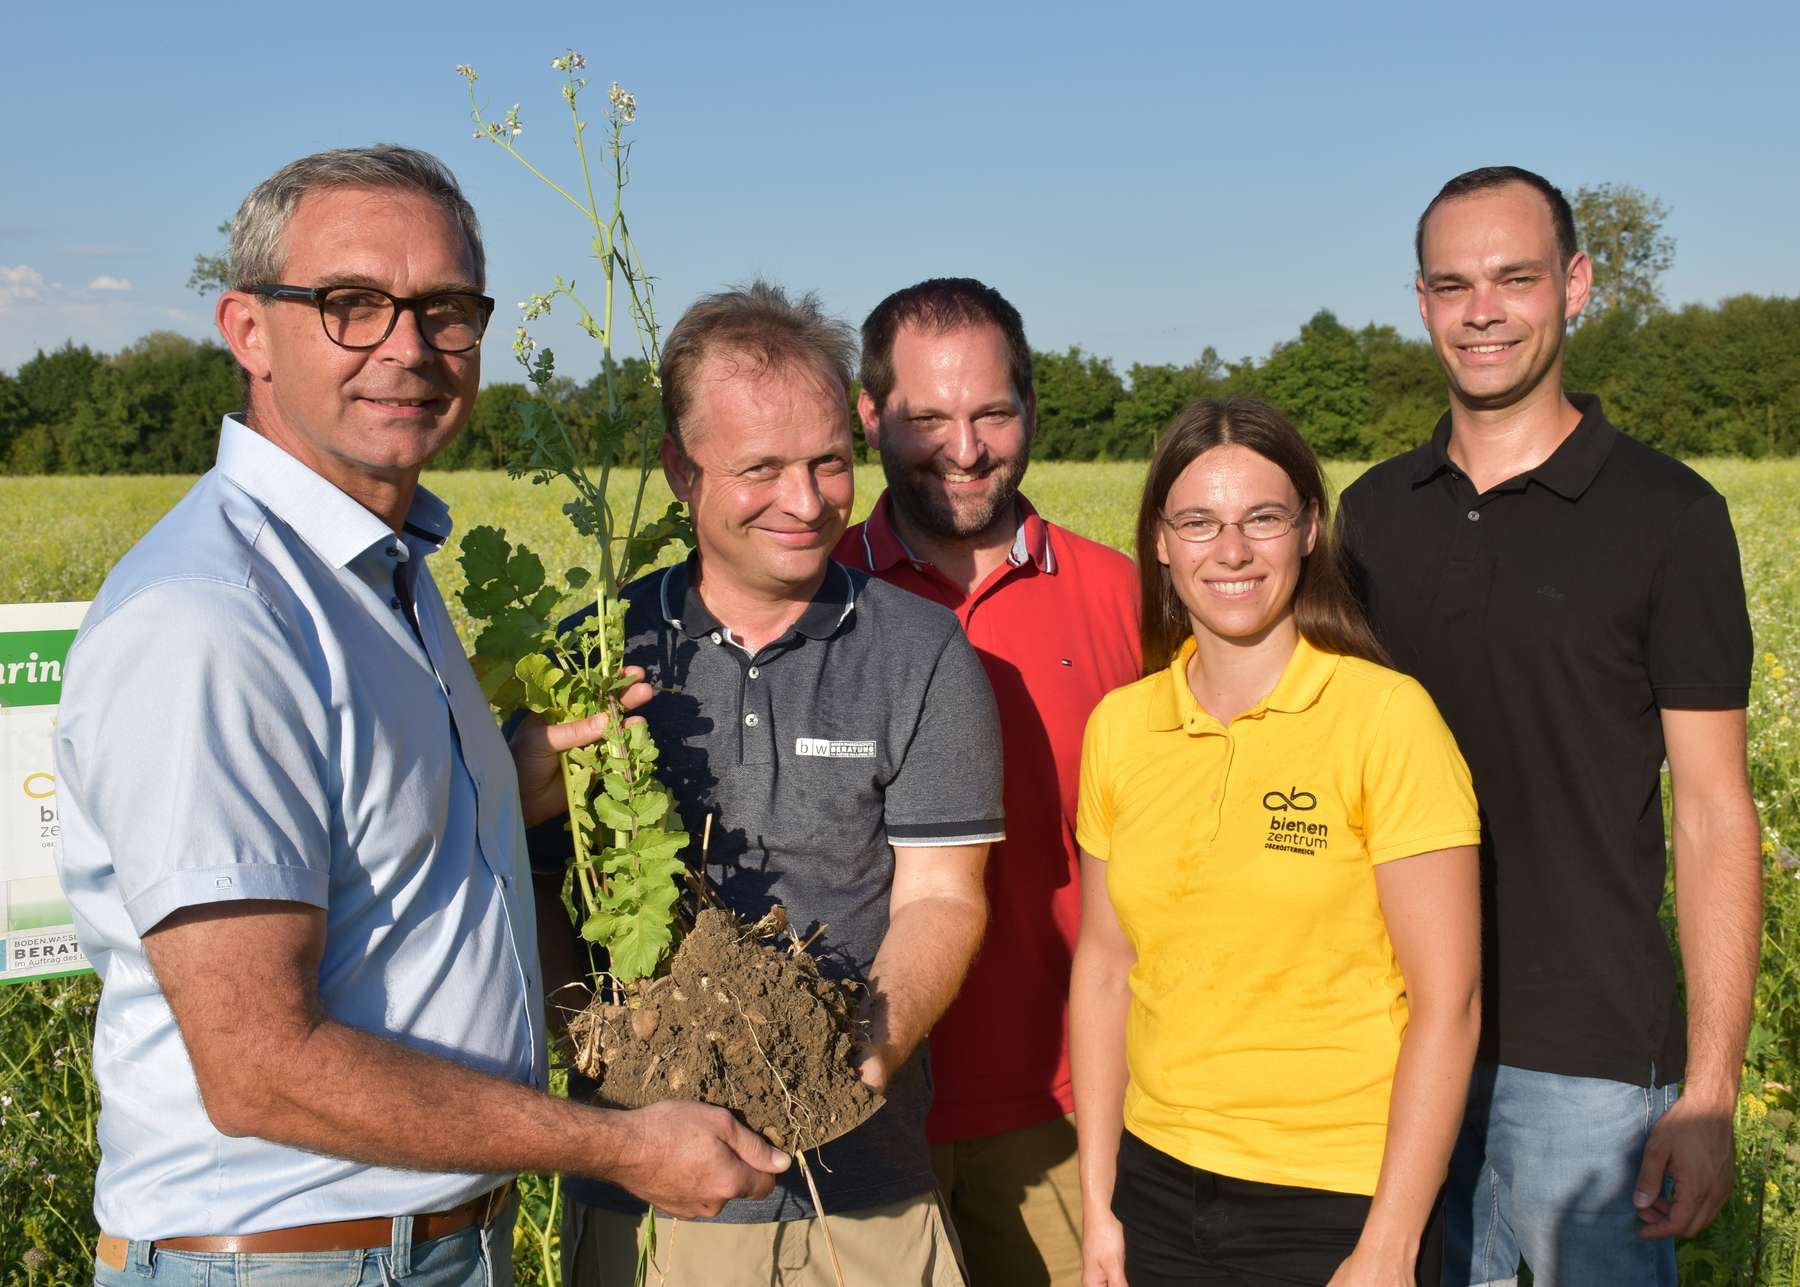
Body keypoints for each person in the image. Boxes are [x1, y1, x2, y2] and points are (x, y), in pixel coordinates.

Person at [52, 146, 787, 1287]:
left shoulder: (374, 573)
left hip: (418, 1248)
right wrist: (619, 1144)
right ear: (248, 330)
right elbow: (259, 1067)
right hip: (285, 1262)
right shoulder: (214, 620)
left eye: (445, 309)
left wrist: (503, 781)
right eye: (350, 304)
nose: (407, 347)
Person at [1337, 165, 1762, 1287]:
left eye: (1515, 278)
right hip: (1395, 1038)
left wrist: (1711, 1088)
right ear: (1420, 302)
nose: (1483, 311)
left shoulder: (1670, 516)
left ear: (1575, 286)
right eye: (1453, 284)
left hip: (1588, 1062)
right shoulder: (1372, 515)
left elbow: (1716, 812)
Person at [543, 281, 1003, 1286]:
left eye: (829, 463)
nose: (805, 503)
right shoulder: (600, 651)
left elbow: (940, 899)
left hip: (863, 1192)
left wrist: (842, 1075)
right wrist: (591, 1041)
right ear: (679, 469)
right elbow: (542, 885)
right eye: (761, 469)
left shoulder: (921, 652)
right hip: (641, 1189)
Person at [1071, 398, 1483, 1286]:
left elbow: (1448, 1000)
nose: (1231, 550)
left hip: (1332, 1197)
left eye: (1262, 518)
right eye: (1198, 521)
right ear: (1159, 542)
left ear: (1307, 531)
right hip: (1154, 1183)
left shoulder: (1386, 718)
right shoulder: (1121, 726)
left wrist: (1388, 1243)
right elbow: (1105, 968)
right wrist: (1100, 1202)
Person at [835, 277, 1140, 1286]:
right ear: (871, 415)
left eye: (992, 413)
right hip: (861, 1113)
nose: (966, 448)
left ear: (1031, 410)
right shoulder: (818, 595)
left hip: (1065, 1113)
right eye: (928, 417)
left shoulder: (1128, 598)